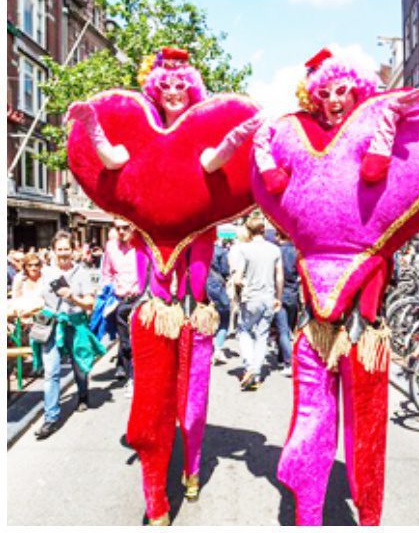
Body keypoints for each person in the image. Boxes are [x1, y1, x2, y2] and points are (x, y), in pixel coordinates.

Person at [252, 47, 419, 525]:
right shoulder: (299, 139)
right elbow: (279, 184)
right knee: (311, 422)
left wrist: (385, 125)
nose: (334, 100)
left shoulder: (370, 131)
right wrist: (262, 150)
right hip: (314, 327)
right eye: (324, 93)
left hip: (365, 331)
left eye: (342, 90)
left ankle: (368, 518)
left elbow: (378, 175)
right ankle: (307, 510)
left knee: (366, 433)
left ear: (357, 89)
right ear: (313, 96)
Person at [66, 46, 260, 524]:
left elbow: (216, 161)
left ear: (191, 90)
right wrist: (90, 123)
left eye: (181, 85)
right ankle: (156, 497)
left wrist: (238, 136)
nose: (173, 92)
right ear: (156, 91)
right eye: (165, 86)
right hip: (155, 311)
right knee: (151, 404)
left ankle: (192, 467)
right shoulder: (143, 149)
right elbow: (111, 159)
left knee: (192, 408)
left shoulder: (201, 147)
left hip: (197, 314)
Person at [31, 231, 105, 439]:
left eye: (66, 249)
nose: (63, 253)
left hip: (74, 323)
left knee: (79, 366)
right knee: (51, 372)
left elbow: (90, 303)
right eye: (59, 249)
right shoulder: (46, 273)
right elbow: (39, 297)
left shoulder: (81, 273)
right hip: (52, 325)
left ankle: (82, 394)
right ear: (54, 251)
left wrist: (72, 297)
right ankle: (51, 418)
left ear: (73, 251)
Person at [233, 216, 282, 390]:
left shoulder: (244, 250)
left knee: (244, 330)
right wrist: (279, 297)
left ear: (248, 230)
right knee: (262, 335)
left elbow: (238, 278)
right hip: (268, 297)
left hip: (251, 297)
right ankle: (257, 371)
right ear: (263, 230)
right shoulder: (275, 250)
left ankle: (249, 366)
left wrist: (238, 290)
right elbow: (279, 276)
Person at [100, 219, 141, 390]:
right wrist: (106, 298)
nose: (122, 232)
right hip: (121, 301)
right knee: (125, 344)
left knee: (140, 342)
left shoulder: (142, 245)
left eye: (125, 228)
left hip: (140, 300)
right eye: (118, 228)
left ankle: (138, 378)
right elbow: (106, 273)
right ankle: (131, 378)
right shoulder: (111, 247)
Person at [273, 232, 299, 377]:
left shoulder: (276, 252)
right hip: (293, 293)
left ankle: (290, 362)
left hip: (279, 293)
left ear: (278, 237)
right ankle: (282, 357)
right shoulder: (297, 252)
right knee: (289, 326)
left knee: (283, 330)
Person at [206, 237, 232, 365]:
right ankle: (218, 348)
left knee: (205, 319)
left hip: (201, 288)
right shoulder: (220, 252)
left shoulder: (195, 250)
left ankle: (206, 347)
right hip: (218, 288)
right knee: (224, 318)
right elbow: (226, 271)